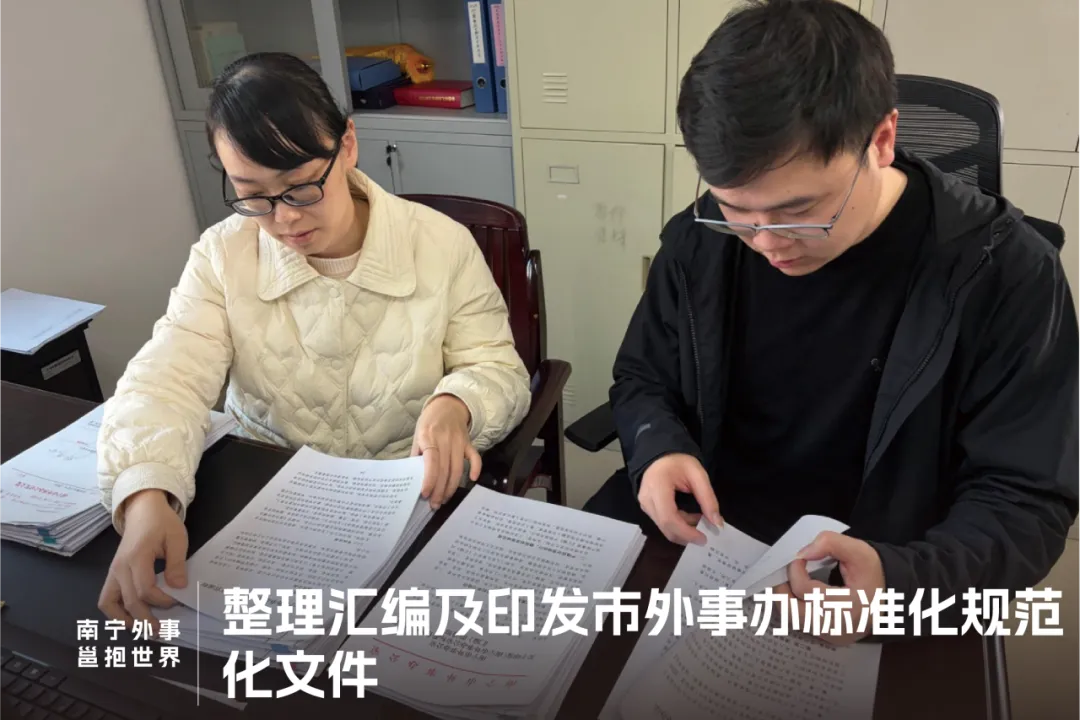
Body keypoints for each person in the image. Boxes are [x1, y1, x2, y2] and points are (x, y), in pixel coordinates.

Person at [584, 0, 1079, 641]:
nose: (765, 242)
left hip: (879, 561)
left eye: (799, 211)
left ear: (882, 140)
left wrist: (900, 585)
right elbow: (643, 375)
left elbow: (1025, 498)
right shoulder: (701, 239)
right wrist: (657, 448)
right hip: (709, 545)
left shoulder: (1006, 272)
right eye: (735, 209)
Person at [96, 52, 532, 626]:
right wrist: (145, 492)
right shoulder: (224, 255)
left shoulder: (442, 245)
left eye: (300, 188)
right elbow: (165, 380)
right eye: (252, 194)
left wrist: (457, 404)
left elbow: (497, 367)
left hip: (407, 493)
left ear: (347, 145)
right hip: (268, 498)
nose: (283, 220)